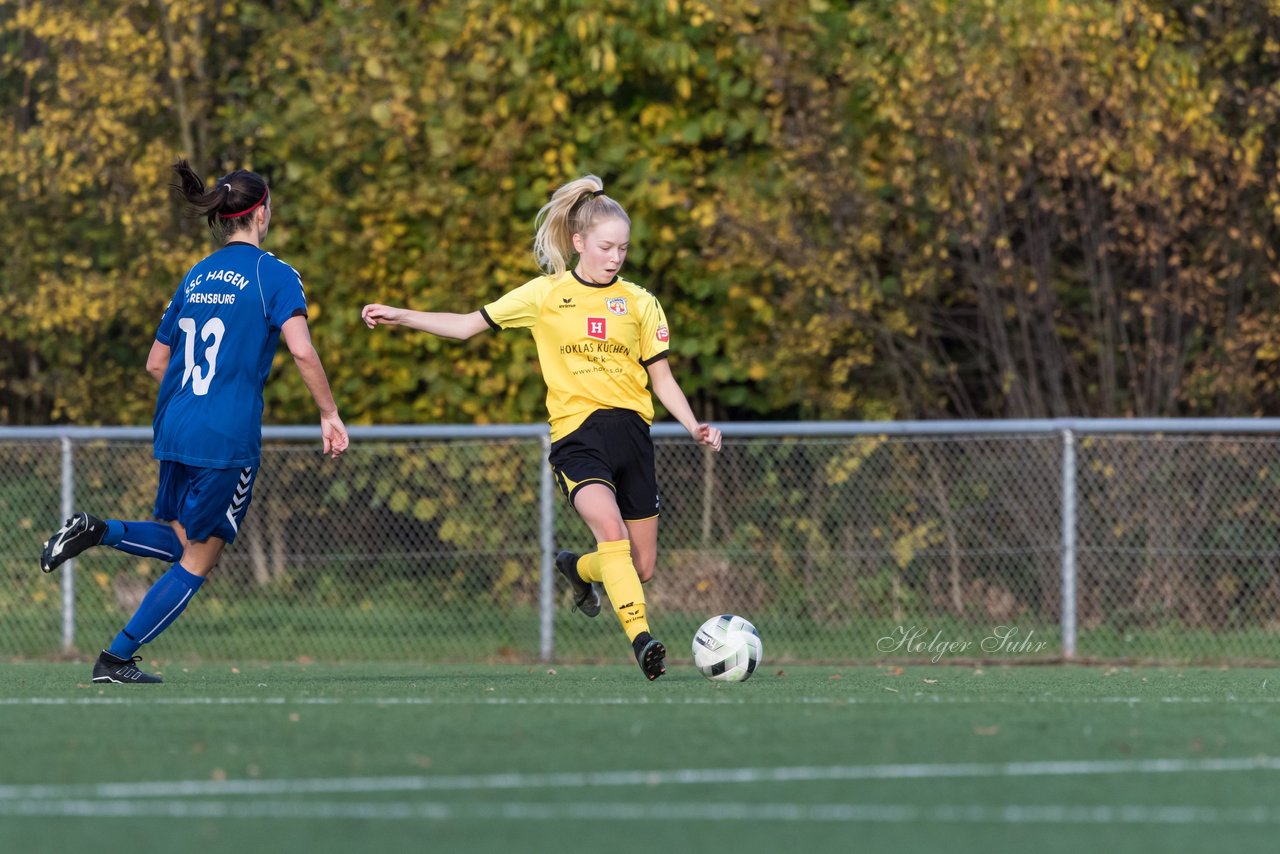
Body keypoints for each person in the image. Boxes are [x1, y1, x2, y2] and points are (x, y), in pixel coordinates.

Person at [361, 175, 722, 681]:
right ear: (578, 243)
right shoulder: (546, 294)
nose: (616, 256)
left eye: (623, 247)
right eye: (605, 246)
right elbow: (467, 325)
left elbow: (661, 376)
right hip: (579, 438)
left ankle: (577, 568)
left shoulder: (640, 302)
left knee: (639, 569)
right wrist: (401, 315)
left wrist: (693, 425)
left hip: (633, 439)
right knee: (610, 530)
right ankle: (643, 641)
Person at [40, 159, 349, 683]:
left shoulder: (197, 273)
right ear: (261, 213)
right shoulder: (274, 274)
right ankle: (115, 657)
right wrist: (329, 413)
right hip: (224, 435)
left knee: (184, 539)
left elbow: (156, 363)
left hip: (175, 425)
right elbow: (301, 351)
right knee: (200, 560)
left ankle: (98, 530)